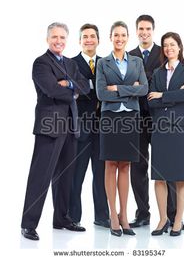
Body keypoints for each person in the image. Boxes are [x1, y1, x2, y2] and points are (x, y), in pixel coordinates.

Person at [21, 22, 90, 240]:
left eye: (62, 37)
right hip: (49, 126)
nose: (58, 41)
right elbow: (50, 89)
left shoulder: (70, 63)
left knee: (65, 176)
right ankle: (28, 224)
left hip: (70, 126)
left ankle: (61, 218)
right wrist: (73, 89)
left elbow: (85, 86)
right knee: (40, 176)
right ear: (47, 39)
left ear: (67, 40)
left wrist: (67, 84)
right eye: (54, 37)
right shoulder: (41, 63)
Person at [96, 21, 148, 237]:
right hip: (109, 117)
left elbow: (144, 88)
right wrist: (130, 89)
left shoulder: (136, 61)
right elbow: (101, 93)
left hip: (130, 118)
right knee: (110, 165)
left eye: (123, 35)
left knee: (125, 166)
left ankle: (124, 215)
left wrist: (117, 88)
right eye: (116, 35)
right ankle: (113, 217)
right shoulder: (103, 63)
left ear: (128, 38)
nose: (119, 38)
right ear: (111, 37)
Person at [129, 14, 181, 229]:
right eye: (141, 29)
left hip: (161, 118)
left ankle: (172, 216)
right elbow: (125, 83)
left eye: (148, 29)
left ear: (153, 30)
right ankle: (143, 213)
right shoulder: (129, 54)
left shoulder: (165, 51)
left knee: (166, 167)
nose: (144, 32)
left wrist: (142, 80)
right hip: (136, 119)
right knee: (138, 167)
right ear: (136, 30)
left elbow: (172, 80)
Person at [148, 32, 184, 236]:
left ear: (179, 47)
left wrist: (163, 95)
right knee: (159, 176)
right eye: (165, 45)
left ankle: (178, 220)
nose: (169, 48)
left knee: (180, 176)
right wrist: (171, 96)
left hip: (180, 126)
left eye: (172, 44)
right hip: (160, 127)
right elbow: (150, 100)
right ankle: (162, 219)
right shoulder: (157, 73)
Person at [69, 24, 109, 228]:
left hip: (103, 128)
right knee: (77, 172)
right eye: (85, 37)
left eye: (92, 36)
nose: (89, 40)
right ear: (80, 41)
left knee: (101, 173)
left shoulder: (106, 62)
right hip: (80, 127)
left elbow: (104, 90)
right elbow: (75, 89)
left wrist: (86, 85)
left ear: (98, 40)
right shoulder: (70, 63)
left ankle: (102, 216)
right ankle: (72, 216)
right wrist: (97, 86)